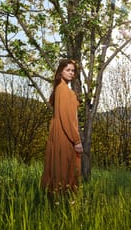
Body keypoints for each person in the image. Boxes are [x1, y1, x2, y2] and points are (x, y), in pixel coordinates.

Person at [41, 59, 83, 193]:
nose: (71, 73)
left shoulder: (60, 88)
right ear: (60, 71)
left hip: (61, 132)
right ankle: (62, 200)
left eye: (73, 71)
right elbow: (67, 117)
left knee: (60, 167)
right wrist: (76, 140)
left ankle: (59, 199)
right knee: (64, 167)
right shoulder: (63, 90)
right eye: (68, 70)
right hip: (65, 134)